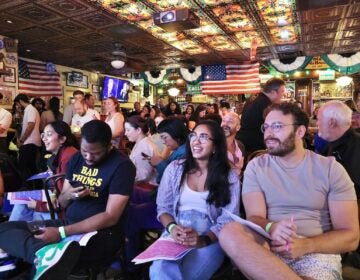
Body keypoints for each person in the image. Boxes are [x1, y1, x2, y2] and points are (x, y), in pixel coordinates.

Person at [219, 102, 359, 280]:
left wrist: (306, 245)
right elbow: (255, 218)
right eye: (266, 127)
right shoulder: (256, 166)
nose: (269, 133)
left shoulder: (330, 169)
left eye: (277, 126)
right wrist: (272, 227)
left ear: (300, 132)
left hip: (316, 252)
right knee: (229, 232)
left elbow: (351, 237)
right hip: (267, 250)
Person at [0, 120, 136, 279]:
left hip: (102, 234)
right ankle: (42, 254)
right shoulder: (77, 159)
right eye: (85, 151)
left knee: (42, 263)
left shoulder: (122, 166)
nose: (89, 158)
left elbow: (111, 217)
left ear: (109, 146)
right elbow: (61, 202)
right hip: (68, 222)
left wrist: (61, 233)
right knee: (5, 229)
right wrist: (68, 195)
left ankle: (42, 257)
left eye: (96, 153)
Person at [149, 120, 240, 279]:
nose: (196, 141)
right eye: (193, 135)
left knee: (189, 275)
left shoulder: (229, 176)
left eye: (204, 137)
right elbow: (163, 207)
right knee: (159, 270)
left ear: (216, 146)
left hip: (210, 238)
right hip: (176, 234)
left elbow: (229, 217)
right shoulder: (175, 169)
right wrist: (172, 228)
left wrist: (204, 240)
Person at [9, 121, 78, 222]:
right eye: (43, 135)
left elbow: (65, 200)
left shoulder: (68, 157)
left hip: (65, 214)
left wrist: (38, 205)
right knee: (22, 203)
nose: (44, 138)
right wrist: (53, 194)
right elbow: (60, 189)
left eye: (49, 135)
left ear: (62, 139)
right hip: (60, 207)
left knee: (24, 206)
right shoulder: (63, 154)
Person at [317, 100, 360, 198]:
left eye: (319, 119)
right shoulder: (332, 143)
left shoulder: (355, 146)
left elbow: (353, 188)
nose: (317, 124)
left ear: (332, 122)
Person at [236, 78, 286, 155]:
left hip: (242, 145)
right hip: (255, 149)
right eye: (282, 91)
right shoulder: (267, 105)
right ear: (273, 92)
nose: (283, 94)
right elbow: (276, 128)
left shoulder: (251, 101)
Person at [149, 117, 189, 183]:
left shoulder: (183, 154)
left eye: (165, 137)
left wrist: (160, 163)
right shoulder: (180, 150)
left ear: (175, 134)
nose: (163, 142)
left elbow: (174, 179)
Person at [14, 94, 41, 182]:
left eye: (17, 104)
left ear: (21, 101)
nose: (17, 106)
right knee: (31, 166)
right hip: (30, 142)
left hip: (30, 142)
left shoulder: (30, 109)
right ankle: (36, 185)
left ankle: (28, 186)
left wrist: (22, 140)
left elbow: (30, 125)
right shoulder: (28, 110)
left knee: (23, 166)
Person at [124, 116, 157, 185]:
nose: (125, 133)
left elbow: (144, 175)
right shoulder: (141, 143)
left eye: (128, 130)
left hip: (147, 188)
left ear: (138, 130)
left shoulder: (144, 146)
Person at [221, 112, 244, 176]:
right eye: (223, 121)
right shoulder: (213, 145)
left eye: (230, 122)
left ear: (238, 127)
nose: (225, 124)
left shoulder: (240, 146)